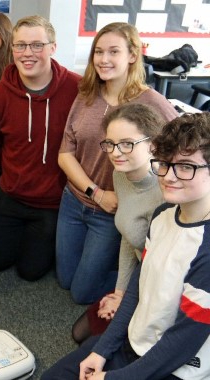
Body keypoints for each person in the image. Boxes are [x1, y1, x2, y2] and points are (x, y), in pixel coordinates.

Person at [42, 112, 210, 380]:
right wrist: (103, 349)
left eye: (186, 166)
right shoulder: (163, 214)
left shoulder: (206, 249)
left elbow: (182, 343)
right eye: (164, 164)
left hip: (177, 368)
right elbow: (137, 288)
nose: (168, 176)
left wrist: (114, 378)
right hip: (136, 341)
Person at [55, 22, 178, 304]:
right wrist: (95, 192)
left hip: (114, 210)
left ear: (132, 55)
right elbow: (65, 153)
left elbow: (184, 147)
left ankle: (140, 277)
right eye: (98, 52)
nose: (104, 59)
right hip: (75, 200)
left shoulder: (151, 102)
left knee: (82, 293)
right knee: (64, 278)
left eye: (113, 51)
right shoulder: (86, 96)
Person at [0, 15, 81, 281]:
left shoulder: (77, 88)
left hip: (52, 200)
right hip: (12, 193)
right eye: (20, 45)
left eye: (37, 45)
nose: (27, 53)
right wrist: (13, 171)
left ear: (53, 47)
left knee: (30, 272)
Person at [71, 103, 165, 344]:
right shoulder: (120, 175)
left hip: (160, 285)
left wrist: (128, 298)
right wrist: (120, 291)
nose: (115, 152)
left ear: (152, 144)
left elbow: (162, 268)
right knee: (81, 332)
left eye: (127, 144)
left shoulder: (166, 193)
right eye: (110, 143)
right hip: (140, 272)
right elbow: (128, 237)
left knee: (100, 344)